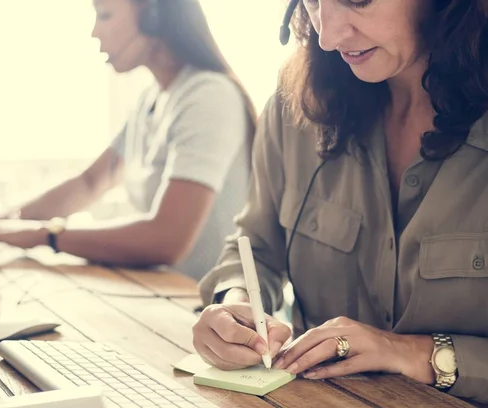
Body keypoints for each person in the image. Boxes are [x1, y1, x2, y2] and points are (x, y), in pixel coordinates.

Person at [193, 0, 488, 403]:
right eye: (313, 2)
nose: (327, 36)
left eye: (357, 1)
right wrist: (234, 303)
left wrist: (409, 352)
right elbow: (255, 247)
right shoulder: (294, 108)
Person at [0, 0, 256, 280]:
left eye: (105, 15)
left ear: (153, 17)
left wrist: (45, 235)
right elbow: (90, 182)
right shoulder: (151, 98)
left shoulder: (208, 96)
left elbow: (167, 239)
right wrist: (8, 220)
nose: (94, 32)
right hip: (160, 292)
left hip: (209, 308)